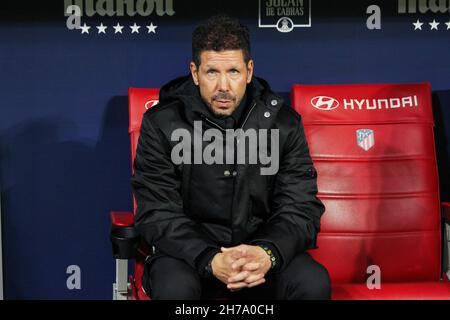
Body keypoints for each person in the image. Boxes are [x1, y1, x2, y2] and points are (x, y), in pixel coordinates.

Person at [131, 14, 331, 300]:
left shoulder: (283, 123)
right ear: (195, 72)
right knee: (174, 288)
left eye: (234, 72)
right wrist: (209, 258)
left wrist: (267, 253)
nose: (223, 86)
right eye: (212, 72)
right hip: (189, 259)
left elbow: (300, 207)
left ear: (249, 72)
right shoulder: (161, 123)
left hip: (259, 257)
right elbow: (156, 211)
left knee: (312, 282)